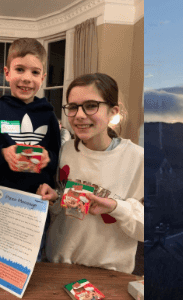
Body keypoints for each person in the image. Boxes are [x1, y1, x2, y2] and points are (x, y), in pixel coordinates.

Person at [37, 73, 144, 272]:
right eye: (73, 107)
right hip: (58, 263)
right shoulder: (66, 150)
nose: (79, 115)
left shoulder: (138, 159)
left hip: (109, 272)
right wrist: (55, 198)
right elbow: (66, 208)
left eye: (91, 105)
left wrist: (115, 207)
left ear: (113, 112)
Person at [0, 38, 63, 229]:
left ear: (42, 78)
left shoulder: (49, 116)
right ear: (7, 73)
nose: (27, 78)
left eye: (35, 72)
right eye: (20, 69)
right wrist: (2, 154)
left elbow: (57, 158)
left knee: (34, 248)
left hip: (36, 204)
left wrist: (48, 158)